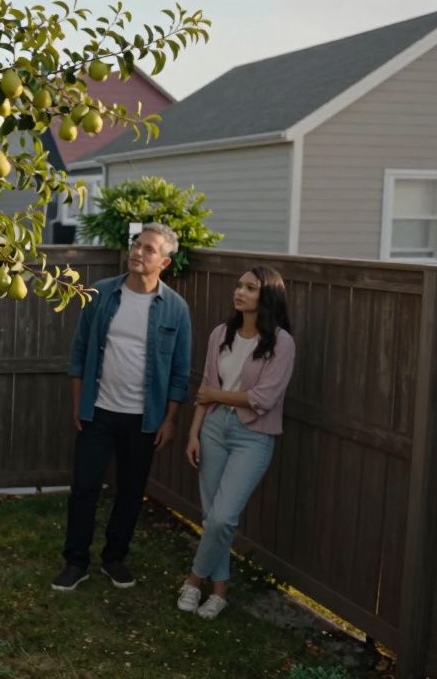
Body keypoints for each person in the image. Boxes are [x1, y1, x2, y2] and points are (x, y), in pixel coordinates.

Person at [54, 224, 192, 592]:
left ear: (164, 261)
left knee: (131, 491)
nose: (138, 252)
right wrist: (78, 403)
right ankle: (76, 561)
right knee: (84, 487)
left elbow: (180, 371)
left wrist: (171, 419)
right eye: (136, 244)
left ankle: (114, 558)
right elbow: (80, 351)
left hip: (144, 419)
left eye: (148, 249)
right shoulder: (100, 294)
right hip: (98, 410)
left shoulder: (176, 309)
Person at [178, 266, 295, 618]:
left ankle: (194, 580)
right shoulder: (220, 334)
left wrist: (215, 394)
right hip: (213, 428)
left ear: (268, 295)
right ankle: (220, 593)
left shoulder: (282, 342)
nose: (239, 292)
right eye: (239, 285)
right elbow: (206, 389)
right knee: (213, 515)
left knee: (222, 518)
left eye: (250, 287)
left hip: (253, 436)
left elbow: (264, 398)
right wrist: (194, 432)